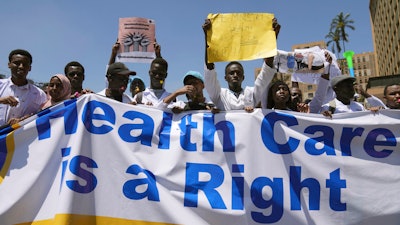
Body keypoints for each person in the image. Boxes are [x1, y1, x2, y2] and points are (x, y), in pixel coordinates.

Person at [202, 18, 280, 112]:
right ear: (225, 77)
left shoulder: (251, 93)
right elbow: (210, 70)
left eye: (238, 73)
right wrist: (208, 38)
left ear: (243, 77)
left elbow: (266, 71)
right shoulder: (219, 95)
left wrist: (272, 37)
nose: (235, 75)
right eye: (231, 73)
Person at [0, 49, 47, 126]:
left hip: (23, 137)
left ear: (30, 68)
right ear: (9, 64)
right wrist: (1, 100)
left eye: (25, 64)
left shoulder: (39, 94)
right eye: (17, 63)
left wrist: (26, 119)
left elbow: (43, 117)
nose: (21, 67)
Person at [131, 42, 172, 109]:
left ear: (165, 75)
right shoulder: (139, 97)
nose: (157, 76)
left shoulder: (172, 98)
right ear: (149, 73)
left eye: (161, 74)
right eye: (154, 73)